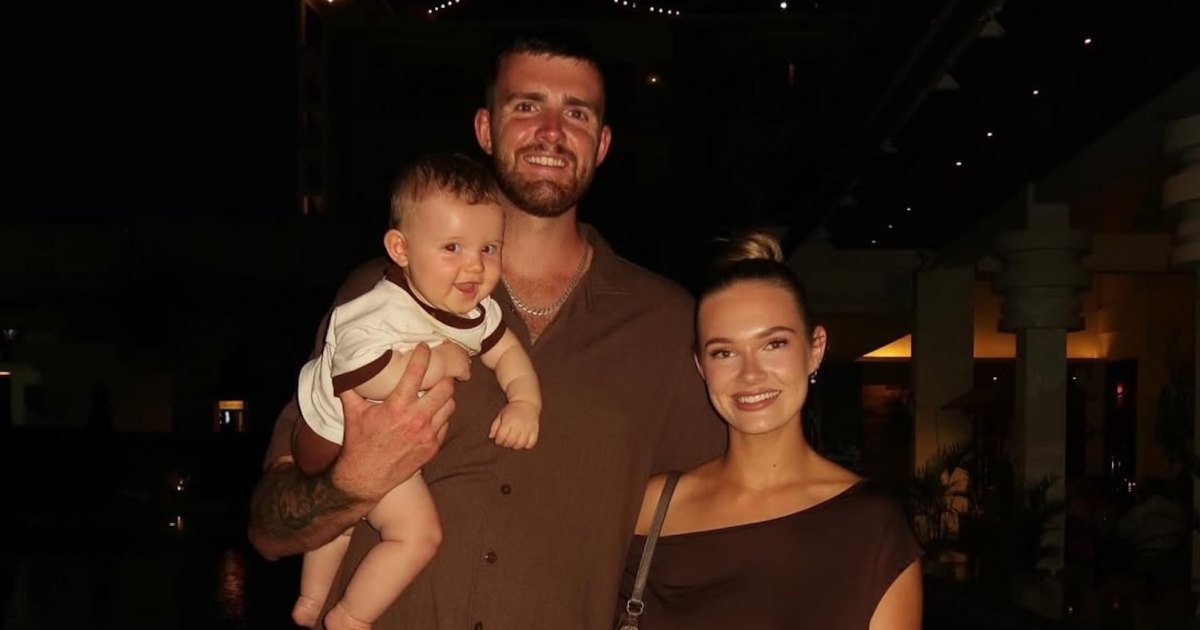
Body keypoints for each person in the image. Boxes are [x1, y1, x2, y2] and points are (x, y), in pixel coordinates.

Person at [247, 29, 727, 630]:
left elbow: (723, 525)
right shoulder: (377, 296)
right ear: (484, 129)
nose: (551, 131)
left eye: (577, 113)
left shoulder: (667, 324)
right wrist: (352, 484)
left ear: (602, 144)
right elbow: (269, 527)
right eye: (526, 106)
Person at [618, 232, 923, 629]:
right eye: (724, 352)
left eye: (774, 344)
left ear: (815, 349)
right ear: (701, 367)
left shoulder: (873, 527)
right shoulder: (651, 508)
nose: (750, 373)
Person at [290, 153, 542, 629]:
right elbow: (360, 373)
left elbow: (508, 351)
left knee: (340, 527)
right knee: (418, 537)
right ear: (401, 249)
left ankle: (310, 601)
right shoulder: (380, 308)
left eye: (489, 248)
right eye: (452, 247)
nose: (474, 266)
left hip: (365, 443)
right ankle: (350, 617)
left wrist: (525, 402)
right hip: (340, 438)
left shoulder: (474, 311)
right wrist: (437, 363)